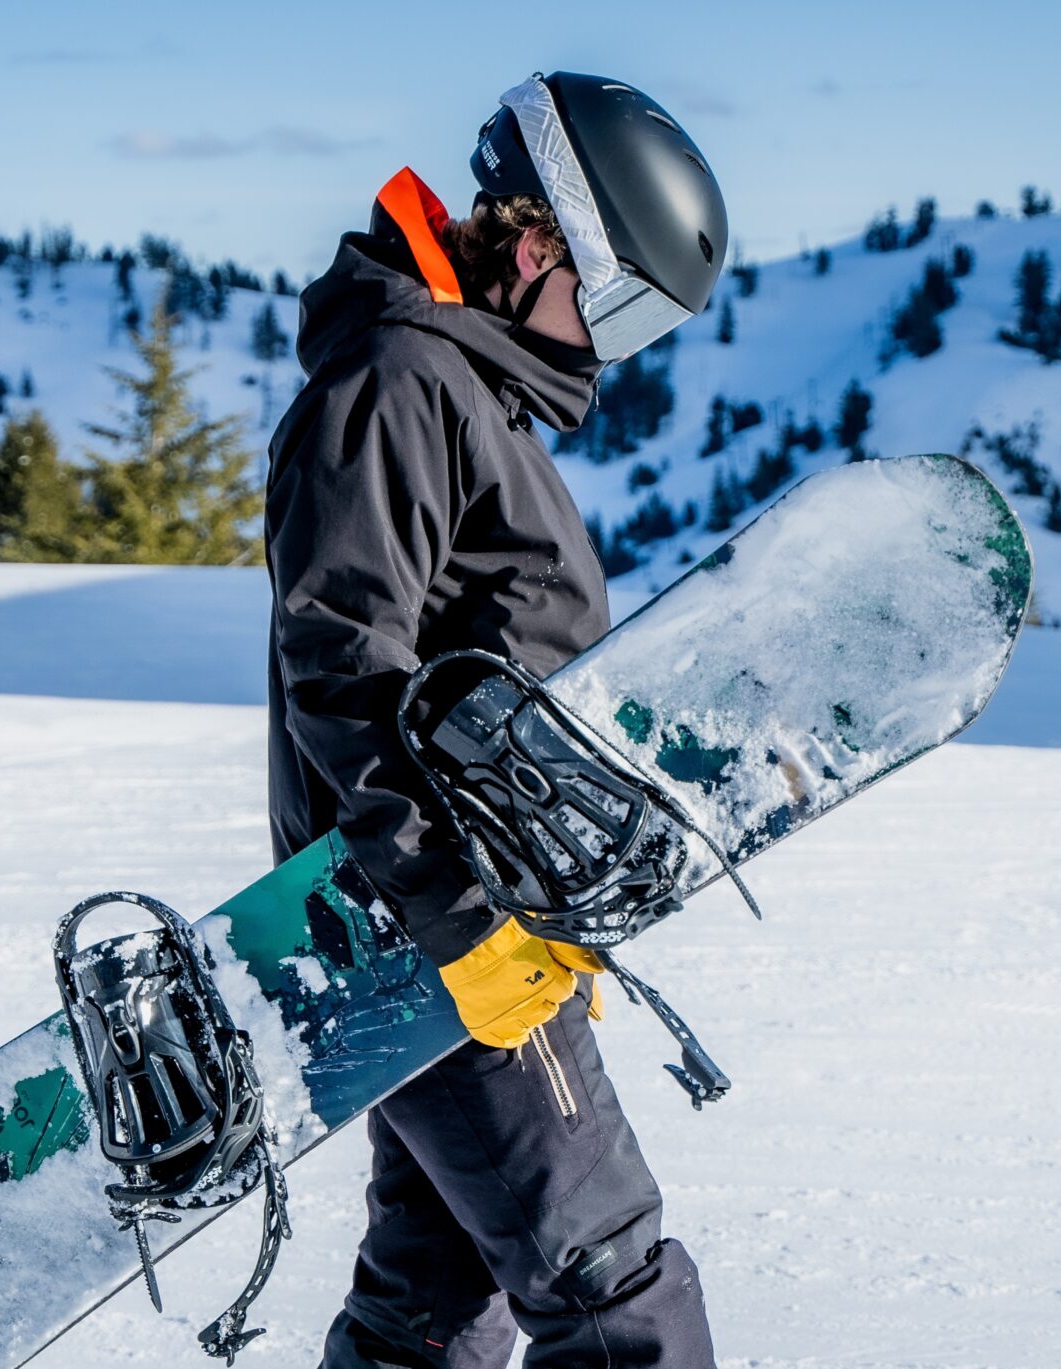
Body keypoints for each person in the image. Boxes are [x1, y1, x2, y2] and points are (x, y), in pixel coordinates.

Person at [263, 72, 729, 1368]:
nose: (613, 347)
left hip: (471, 927)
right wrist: (465, 922)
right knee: (612, 1291)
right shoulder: (399, 382)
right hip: (441, 932)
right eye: (617, 302)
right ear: (538, 249)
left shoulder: (456, 391)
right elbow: (341, 661)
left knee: (434, 1298)